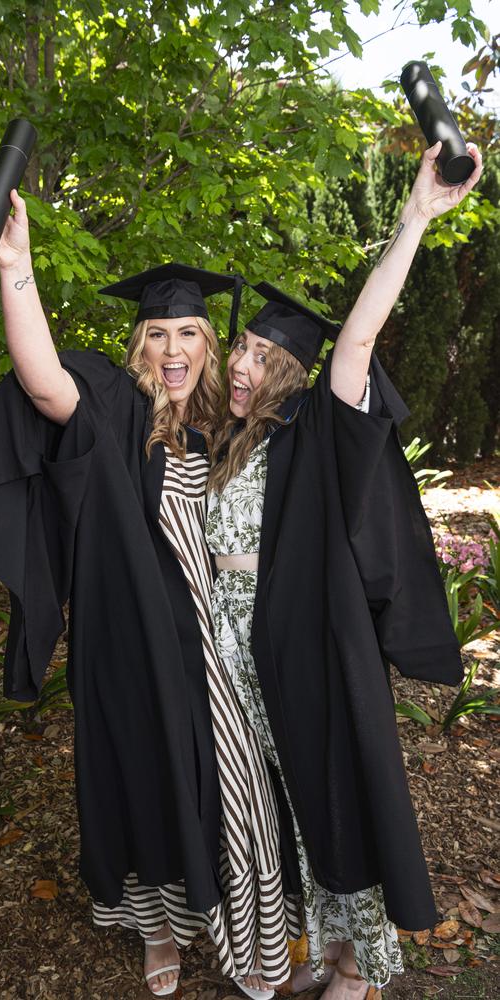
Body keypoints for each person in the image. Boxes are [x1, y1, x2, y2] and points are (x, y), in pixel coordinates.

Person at [0, 186, 297, 999]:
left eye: (188, 333)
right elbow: (41, 381)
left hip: (216, 649)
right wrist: (17, 266)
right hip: (129, 644)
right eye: (157, 334)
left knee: (240, 787)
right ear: (137, 343)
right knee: (142, 780)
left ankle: (251, 934)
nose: (172, 349)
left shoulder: (227, 432)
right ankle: (157, 929)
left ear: (209, 346)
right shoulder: (111, 405)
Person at [204, 138, 483, 999]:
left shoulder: (315, 429)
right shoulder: (218, 438)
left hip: (306, 642)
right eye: (239, 348)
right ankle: (301, 945)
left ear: (290, 369)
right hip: (227, 642)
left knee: (333, 795)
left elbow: (357, 339)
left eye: (262, 355)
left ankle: (357, 965)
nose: (243, 365)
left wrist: (412, 221)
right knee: (269, 809)